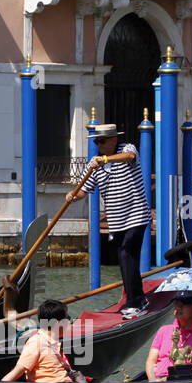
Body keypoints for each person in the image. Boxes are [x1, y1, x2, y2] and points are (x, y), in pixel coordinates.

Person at [67, 123, 150, 317]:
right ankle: (139, 296)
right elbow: (84, 190)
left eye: (102, 141)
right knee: (125, 258)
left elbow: (129, 158)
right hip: (117, 220)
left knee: (126, 253)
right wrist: (72, 194)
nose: (98, 144)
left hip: (136, 215)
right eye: (96, 141)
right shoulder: (94, 165)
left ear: (113, 140)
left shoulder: (127, 148)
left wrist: (104, 159)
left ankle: (134, 303)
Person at [1, 299, 78, 383]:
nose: (69, 322)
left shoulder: (52, 341)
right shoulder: (36, 342)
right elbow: (18, 370)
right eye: (68, 318)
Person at [145, 292, 192, 381]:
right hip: (157, 381)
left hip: (182, 381)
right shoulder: (163, 330)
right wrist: (153, 381)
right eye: (176, 304)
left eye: (183, 304)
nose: (178, 308)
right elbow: (151, 360)